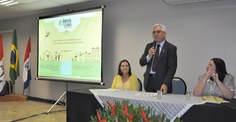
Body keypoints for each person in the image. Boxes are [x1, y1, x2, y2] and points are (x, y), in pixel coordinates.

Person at [139, 24, 177, 94]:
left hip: (162, 84)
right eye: (154, 32)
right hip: (149, 82)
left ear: (164, 34)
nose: (156, 34)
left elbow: (172, 68)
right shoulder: (149, 46)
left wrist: (165, 83)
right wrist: (148, 56)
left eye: (158, 32)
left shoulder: (171, 48)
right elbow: (141, 62)